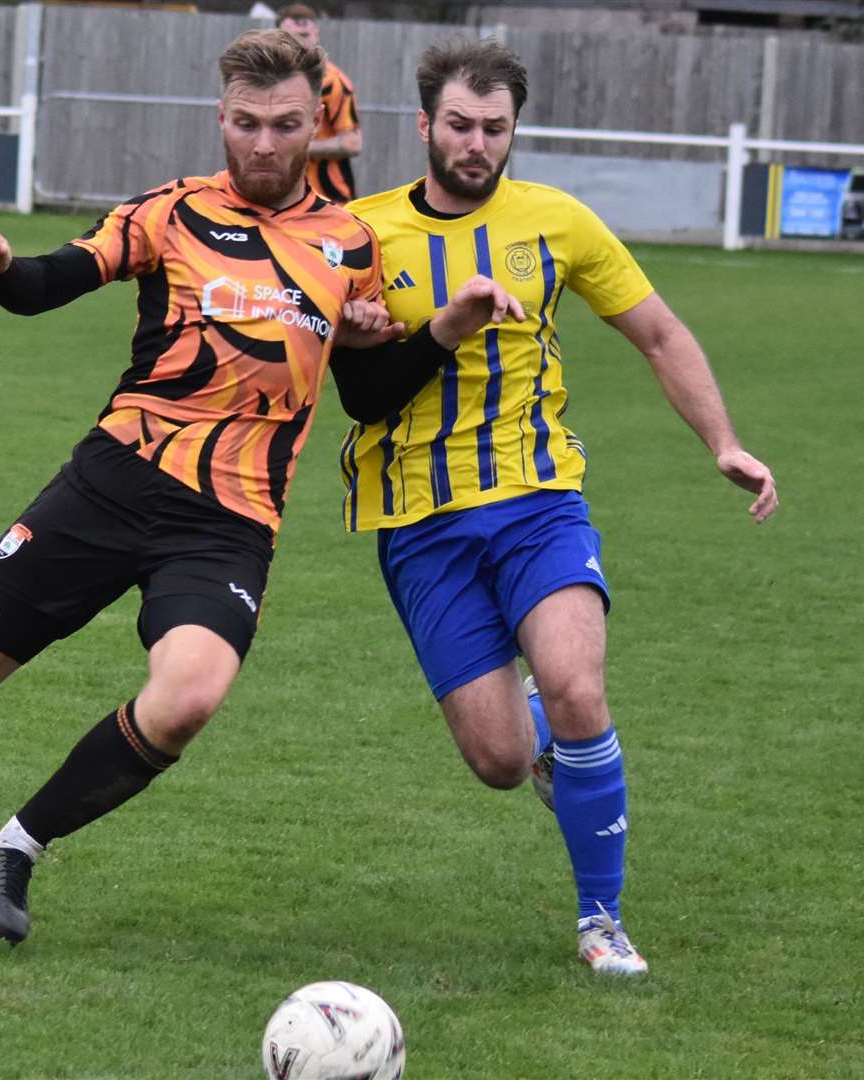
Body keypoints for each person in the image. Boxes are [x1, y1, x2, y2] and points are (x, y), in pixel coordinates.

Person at [0, 28, 517, 946]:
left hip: (230, 519)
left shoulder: (348, 241)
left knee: (190, 693)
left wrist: (433, 327)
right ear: (221, 117)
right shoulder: (167, 213)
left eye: (285, 125)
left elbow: (364, 392)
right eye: (246, 124)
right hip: (112, 482)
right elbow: (49, 282)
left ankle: (17, 845)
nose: (265, 145)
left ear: (316, 121)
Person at [329, 37, 778, 975]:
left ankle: (599, 921)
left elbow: (657, 332)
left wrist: (723, 443)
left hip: (539, 500)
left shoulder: (557, 223)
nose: (476, 144)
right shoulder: (362, 235)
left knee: (578, 684)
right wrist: (359, 333)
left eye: (495, 128)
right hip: (419, 521)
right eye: (459, 124)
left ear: (512, 130)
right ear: (423, 125)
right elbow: (345, 378)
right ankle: (534, 735)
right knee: (496, 760)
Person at [277, 4, 361, 204]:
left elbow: (352, 143)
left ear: (317, 35)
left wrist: (296, 147)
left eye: (304, 35)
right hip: (284, 198)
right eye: (289, 38)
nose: (298, 44)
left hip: (329, 199)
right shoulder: (271, 81)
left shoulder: (332, 82)